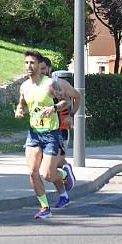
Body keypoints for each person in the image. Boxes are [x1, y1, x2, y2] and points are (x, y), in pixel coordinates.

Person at [15, 50, 75, 219]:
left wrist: (54, 108)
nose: (29, 66)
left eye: (32, 63)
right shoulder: (24, 86)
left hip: (51, 134)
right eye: (26, 63)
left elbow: (66, 101)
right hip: (33, 134)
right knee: (33, 172)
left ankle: (63, 174)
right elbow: (22, 105)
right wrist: (19, 111)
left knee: (47, 174)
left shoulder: (49, 84)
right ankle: (44, 207)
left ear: (39, 66)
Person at [39, 56, 82, 208]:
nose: (41, 71)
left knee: (53, 165)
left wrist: (71, 116)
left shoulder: (60, 84)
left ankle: (65, 170)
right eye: (39, 68)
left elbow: (77, 97)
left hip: (60, 129)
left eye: (43, 68)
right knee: (49, 168)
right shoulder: (35, 86)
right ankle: (63, 195)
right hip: (42, 131)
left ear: (49, 69)